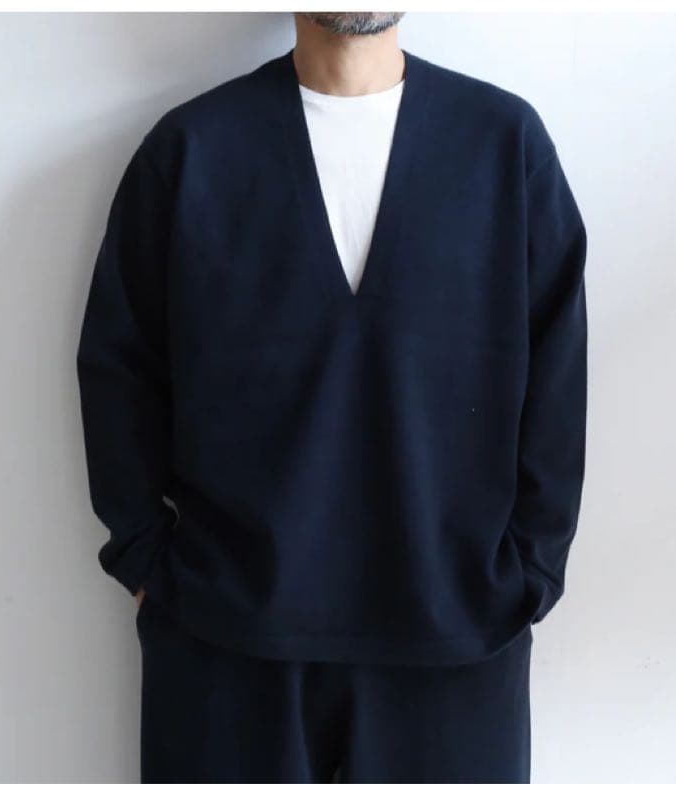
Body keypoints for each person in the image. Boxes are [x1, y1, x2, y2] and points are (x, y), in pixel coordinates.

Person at [76, 11, 588, 783]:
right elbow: (120, 368)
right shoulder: (192, 151)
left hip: (457, 639)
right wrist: (145, 557)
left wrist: (533, 571)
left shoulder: (503, 146)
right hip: (226, 643)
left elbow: (559, 374)